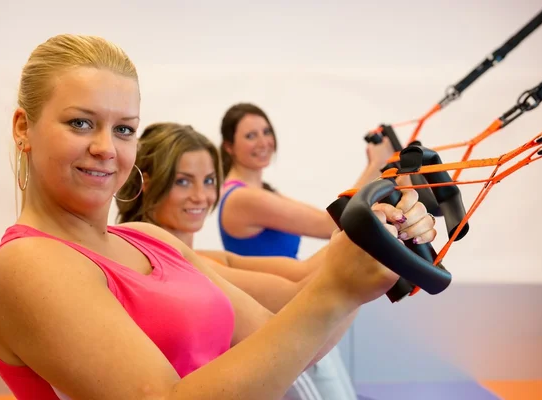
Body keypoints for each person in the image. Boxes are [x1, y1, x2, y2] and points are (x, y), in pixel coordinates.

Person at [0, 33, 437, 400]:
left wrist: (372, 255)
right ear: (23, 129)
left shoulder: (148, 239)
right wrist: (339, 286)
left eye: (123, 129)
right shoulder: (27, 265)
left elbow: (295, 343)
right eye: (80, 122)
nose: (105, 147)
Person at [114, 122, 436, 400]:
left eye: (209, 180)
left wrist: (382, 227)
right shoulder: (235, 202)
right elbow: (303, 284)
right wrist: (376, 232)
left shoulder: (205, 256)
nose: (201, 196)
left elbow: (303, 275)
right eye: (183, 181)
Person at [217, 103, 401, 258]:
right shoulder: (244, 198)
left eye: (266, 132)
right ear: (229, 147)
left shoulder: (260, 191)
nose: (263, 142)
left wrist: (374, 167)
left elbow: (329, 218)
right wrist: (377, 163)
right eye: (250, 136)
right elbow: (331, 224)